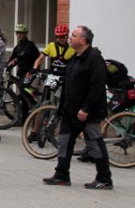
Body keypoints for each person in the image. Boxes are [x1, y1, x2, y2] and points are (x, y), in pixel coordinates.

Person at [43, 26, 113, 190]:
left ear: (83, 40)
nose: (70, 38)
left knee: (94, 144)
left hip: (88, 112)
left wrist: (86, 109)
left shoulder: (94, 58)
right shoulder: (76, 56)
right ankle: (61, 175)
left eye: (73, 35)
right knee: (64, 141)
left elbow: (96, 87)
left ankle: (104, 178)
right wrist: (62, 108)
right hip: (70, 110)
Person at [7, 24, 40, 118]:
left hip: (31, 71)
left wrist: (16, 60)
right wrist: (7, 66)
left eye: (21, 33)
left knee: (22, 86)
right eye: (17, 33)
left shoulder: (29, 45)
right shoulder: (18, 47)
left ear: (25, 34)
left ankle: (34, 104)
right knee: (23, 95)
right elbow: (12, 58)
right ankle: (24, 119)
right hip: (22, 72)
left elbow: (22, 55)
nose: (19, 35)